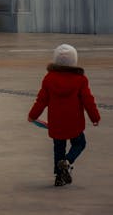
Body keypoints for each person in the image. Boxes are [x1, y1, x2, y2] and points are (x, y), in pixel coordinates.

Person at [28, 43, 100, 187]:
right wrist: (95, 117)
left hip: (56, 122)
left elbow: (41, 100)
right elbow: (88, 100)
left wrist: (33, 115)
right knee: (80, 143)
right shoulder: (80, 80)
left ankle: (59, 177)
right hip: (74, 121)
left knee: (58, 148)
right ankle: (67, 161)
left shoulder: (49, 78)